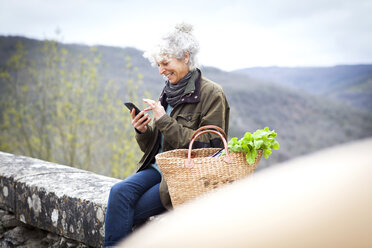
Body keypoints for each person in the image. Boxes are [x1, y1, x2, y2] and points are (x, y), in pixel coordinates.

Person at [104, 23, 230, 247]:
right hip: (158, 168)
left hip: (183, 177)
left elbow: (209, 150)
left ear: (185, 57)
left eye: (165, 63)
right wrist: (143, 131)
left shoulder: (212, 94)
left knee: (126, 210)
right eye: (158, 64)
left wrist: (163, 120)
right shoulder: (169, 90)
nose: (161, 70)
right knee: (119, 192)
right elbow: (159, 146)